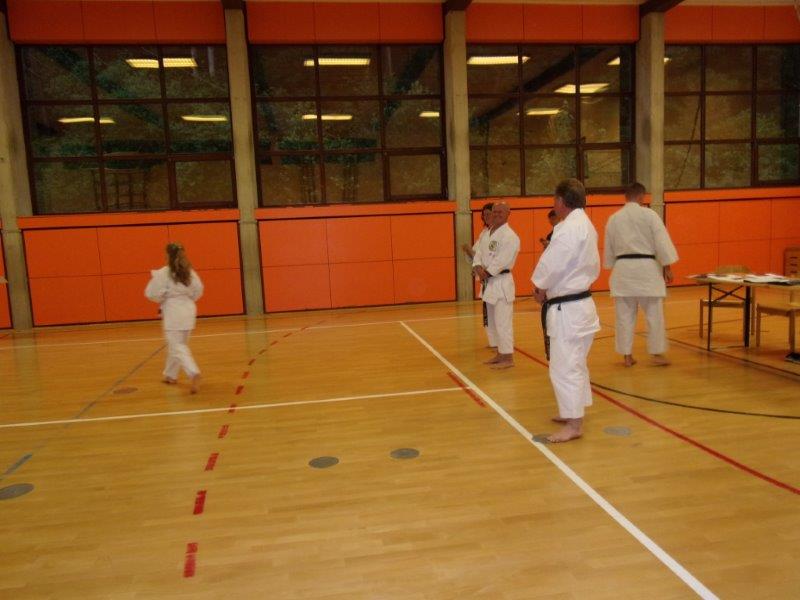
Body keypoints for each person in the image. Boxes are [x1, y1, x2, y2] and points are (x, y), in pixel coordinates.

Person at [531, 179, 600, 443]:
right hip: (580, 306)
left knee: (564, 366)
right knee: (576, 363)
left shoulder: (568, 228)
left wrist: (539, 286)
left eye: (554, 200)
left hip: (569, 309)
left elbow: (553, 263)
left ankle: (574, 424)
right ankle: (573, 410)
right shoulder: (584, 225)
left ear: (560, 201)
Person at [604, 182, 679, 367]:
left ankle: (627, 356)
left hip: (623, 270)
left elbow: (609, 249)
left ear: (626, 196)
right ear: (641, 196)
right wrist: (667, 267)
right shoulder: (650, 215)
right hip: (647, 270)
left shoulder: (614, 218)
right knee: (654, 315)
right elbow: (661, 242)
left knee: (624, 317)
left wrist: (612, 265)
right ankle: (657, 354)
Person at [145, 243, 204, 394]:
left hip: (173, 311)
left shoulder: (164, 273)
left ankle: (193, 372)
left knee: (177, 346)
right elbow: (198, 290)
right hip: (189, 310)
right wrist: (186, 298)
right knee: (178, 345)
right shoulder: (189, 272)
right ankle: (170, 375)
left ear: (167, 255)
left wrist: (163, 298)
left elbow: (150, 293)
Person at [473, 202, 521, 369]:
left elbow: (503, 260)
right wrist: (478, 266)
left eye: (501, 212)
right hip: (489, 283)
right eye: (495, 211)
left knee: (503, 322)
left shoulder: (510, 236)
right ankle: (500, 353)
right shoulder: (487, 233)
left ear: (508, 214)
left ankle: (508, 358)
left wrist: (486, 272)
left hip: (501, 282)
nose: (497, 214)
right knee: (493, 322)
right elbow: (478, 253)